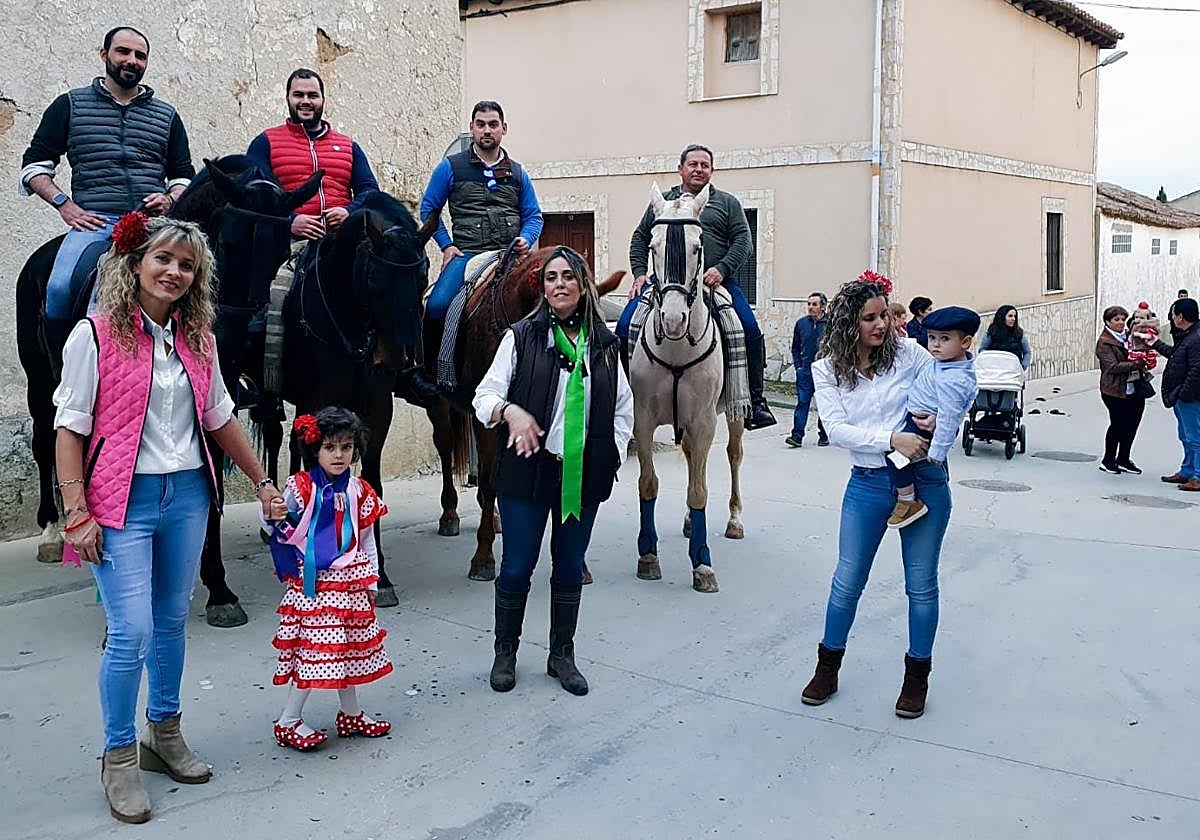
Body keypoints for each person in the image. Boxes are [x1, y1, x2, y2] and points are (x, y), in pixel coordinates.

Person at [53, 214, 283, 824]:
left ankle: (165, 731)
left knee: (172, 621)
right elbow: (69, 427)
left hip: (186, 496)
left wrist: (263, 482)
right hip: (117, 500)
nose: (175, 272)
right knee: (129, 631)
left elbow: (218, 417)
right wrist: (76, 512)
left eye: (187, 265)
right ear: (134, 264)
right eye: (163, 259)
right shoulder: (95, 334)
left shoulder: (200, 338)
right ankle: (118, 756)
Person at [473, 246, 633, 696]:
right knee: (517, 566)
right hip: (526, 474)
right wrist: (511, 412)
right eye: (550, 278)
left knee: (567, 569)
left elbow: (623, 408)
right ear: (542, 288)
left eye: (567, 276)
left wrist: (612, 453)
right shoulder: (521, 337)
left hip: (581, 475)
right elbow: (483, 398)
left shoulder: (605, 345)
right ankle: (505, 652)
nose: (558, 284)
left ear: (583, 286)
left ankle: (561, 654)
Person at [801, 273, 954, 720]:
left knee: (921, 586)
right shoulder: (826, 368)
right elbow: (836, 430)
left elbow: (944, 391)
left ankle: (916, 678)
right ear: (849, 322)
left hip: (925, 480)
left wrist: (936, 423)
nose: (881, 324)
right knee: (846, 582)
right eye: (870, 317)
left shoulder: (910, 354)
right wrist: (892, 438)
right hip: (867, 484)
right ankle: (827, 668)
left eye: (885, 314)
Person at [20, 26, 195, 357]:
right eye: (123, 52)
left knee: (204, 286)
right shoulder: (69, 105)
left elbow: (184, 176)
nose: (131, 61)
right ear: (105, 55)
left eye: (140, 56)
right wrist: (64, 205)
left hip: (155, 226)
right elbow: (34, 168)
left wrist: (170, 198)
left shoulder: (167, 115)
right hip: (95, 222)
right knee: (57, 289)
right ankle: (65, 371)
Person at [620, 144, 777, 430]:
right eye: (692, 164)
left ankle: (754, 401)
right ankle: (623, 398)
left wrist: (722, 268)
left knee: (750, 332)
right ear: (680, 169)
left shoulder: (726, 203)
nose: (698, 169)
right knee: (623, 326)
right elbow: (640, 238)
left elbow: (743, 241)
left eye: (705, 165)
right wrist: (640, 274)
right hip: (665, 285)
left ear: (712, 171)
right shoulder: (663, 203)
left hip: (715, 283)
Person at [264, 407, 393, 751]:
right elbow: (274, 525)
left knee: (347, 649)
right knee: (315, 651)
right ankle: (288, 720)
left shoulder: (360, 490)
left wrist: (371, 581)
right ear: (315, 449)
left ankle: (350, 714)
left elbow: (366, 539)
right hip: (313, 586)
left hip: (350, 583)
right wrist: (272, 515)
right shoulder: (301, 487)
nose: (339, 455)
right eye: (330, 448)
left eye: (347, 447)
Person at [419, 100, 544, 386]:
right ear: (472, 128)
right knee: (437, 306)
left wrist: (525, 238)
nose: (487, 130)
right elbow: (429, 210)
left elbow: (533, 216)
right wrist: (446, 245)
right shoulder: (450, 168)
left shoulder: (519, 173)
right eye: (481, 125)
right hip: (467, 254)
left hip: (510, 256)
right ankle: (432, 374)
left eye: (493, 125)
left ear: (504, 129)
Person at [246, 68, 380, 241]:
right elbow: (253, 196)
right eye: (298, 95)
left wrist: (349, 212)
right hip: (286, 245)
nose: (305, 101)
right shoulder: (264, 143)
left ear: (323, 100)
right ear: (288, 98)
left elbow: (370, 191)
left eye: (313, 96)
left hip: (343, 243)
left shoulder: (349, 146)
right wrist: (290, 221)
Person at [886, 307, 979, 528]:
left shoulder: (953, 379)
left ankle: (907, 501)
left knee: (895, 459)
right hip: (919, 418)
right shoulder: (945, 363)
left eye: (945, 339)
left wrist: (938, 452)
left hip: (920, 425)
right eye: (932, 337)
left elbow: (948, 417)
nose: (935, 344)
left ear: (965, 343)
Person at [1140, 297, 1200, 491]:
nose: (1172, 318)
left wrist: (1184, 393)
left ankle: (1197, 476)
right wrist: (1155, 343)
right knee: (1185, 435)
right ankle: (1187, 471)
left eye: (1173, 314)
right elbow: (1176, 355)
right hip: (1182, 397)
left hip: (1190, 398)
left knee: (1195, 437)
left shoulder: (1196, 338)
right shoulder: (1188, 335)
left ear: (1180, 317)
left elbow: (1196, 370)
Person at [1095, 305, 1150, 476]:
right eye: (1116, 320)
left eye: (1122, 319)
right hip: (1114, 390)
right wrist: (1136, 363)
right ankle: (1108, 460)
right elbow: (1112, 366)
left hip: (1135, 387)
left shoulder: (1129, 336)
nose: (1120, 323)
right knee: (1118, 425)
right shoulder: (1105, 342)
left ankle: (1124, 458)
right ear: (1107, 322)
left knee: (1133, 424)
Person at [787, 292, 829, 448]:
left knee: (824, 404)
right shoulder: (801, 323)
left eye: (814, 304)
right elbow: (795, 347)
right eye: (809, 304)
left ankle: (824, 434)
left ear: (823, 307)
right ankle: (796, 436)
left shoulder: (830, 324)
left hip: (825, 372)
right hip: (805, 371)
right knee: (802, 403)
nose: (811, 307)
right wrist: (798, 366)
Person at [979, 304, 1032, 369]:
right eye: (1010, 316)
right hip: (995, 371)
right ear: (1002, 317)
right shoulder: (991, 333)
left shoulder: (1019, 334)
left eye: (1014, 316)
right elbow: (982, 350)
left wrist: (1023, 366)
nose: (1013, 319)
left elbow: (1027, 352)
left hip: (1013, 371)